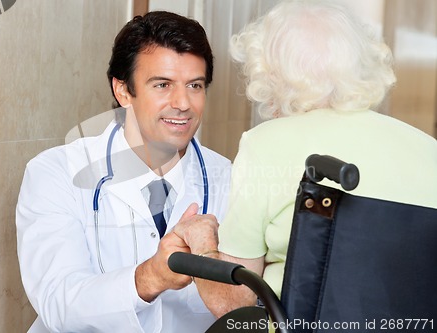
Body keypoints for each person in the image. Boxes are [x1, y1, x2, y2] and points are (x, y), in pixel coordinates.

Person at [173, 0, 437, 319]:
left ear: (270, 74)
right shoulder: (428, 150)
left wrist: (202, 243)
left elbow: (232, 303)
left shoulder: (265, 145)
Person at [16, 11, 231, 333]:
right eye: (162, 84)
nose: (183, 103)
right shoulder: (56, 172)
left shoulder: (228, 177)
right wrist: (151, 276)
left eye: (195, 85)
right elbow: (58, 302)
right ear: (123, 91)